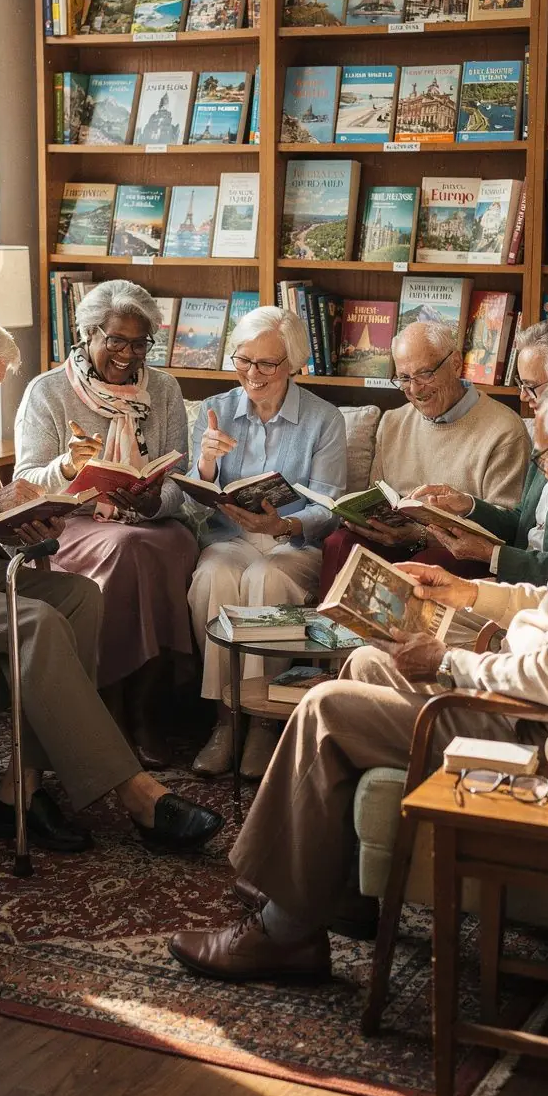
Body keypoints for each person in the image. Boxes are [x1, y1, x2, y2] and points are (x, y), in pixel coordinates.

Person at [169, 368, 548, 980]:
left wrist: (449, 660)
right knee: (368, 659)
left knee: (327, 707)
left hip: (547, 734)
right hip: (536, 705)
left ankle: (285, 931)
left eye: (546, 455)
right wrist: (469, 594)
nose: (546, 472)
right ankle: (338, 892)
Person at [0, 307, 221, 854]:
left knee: (80, 596)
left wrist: (30, 523)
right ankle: (136, 793)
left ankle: (16, 787)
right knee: (37, 620)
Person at [15, 281, 199, 769]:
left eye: (139, 343)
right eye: (115, 340)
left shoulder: (164, 389)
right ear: (88, 333)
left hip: (150, 521)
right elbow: (26, 481)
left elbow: (181, 479)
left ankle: (145, 707)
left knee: (172, 545)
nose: (128, 354)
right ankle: (115, 706)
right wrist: (70, 470)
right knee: (127, 550)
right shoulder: (47, 391)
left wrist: (157, 497)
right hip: (73, 523)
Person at [186, 305, 346, 780]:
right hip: (230, 538)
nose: (252, 375)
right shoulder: (215, 412)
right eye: (243, 360)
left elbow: (331, 506)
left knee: (267, 576)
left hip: (293, 547)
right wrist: (208, 466)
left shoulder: (324, 419)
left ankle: (261, 723)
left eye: (267, 364)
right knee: (212, 574)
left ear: (292, 364)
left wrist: (286, 527)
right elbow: (192, 503)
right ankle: (225, 720)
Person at [318, 322, 530, 595]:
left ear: (455, 364)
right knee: (339, 542)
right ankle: (331, 632)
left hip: (458, 554)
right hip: (396, 539)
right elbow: (378, 495)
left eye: (425, 374)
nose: (415, 390)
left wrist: (421, 536)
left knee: (425, 566)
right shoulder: (393, 421)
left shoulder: (504, 429)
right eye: (404, 378)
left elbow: (505, 530)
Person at [412, 315, 548, 584]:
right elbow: (524, 521)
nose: (522, 397)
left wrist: (492, 555)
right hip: (517, 586)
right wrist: (467, 505)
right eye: (520, 385)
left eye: (530, 386)